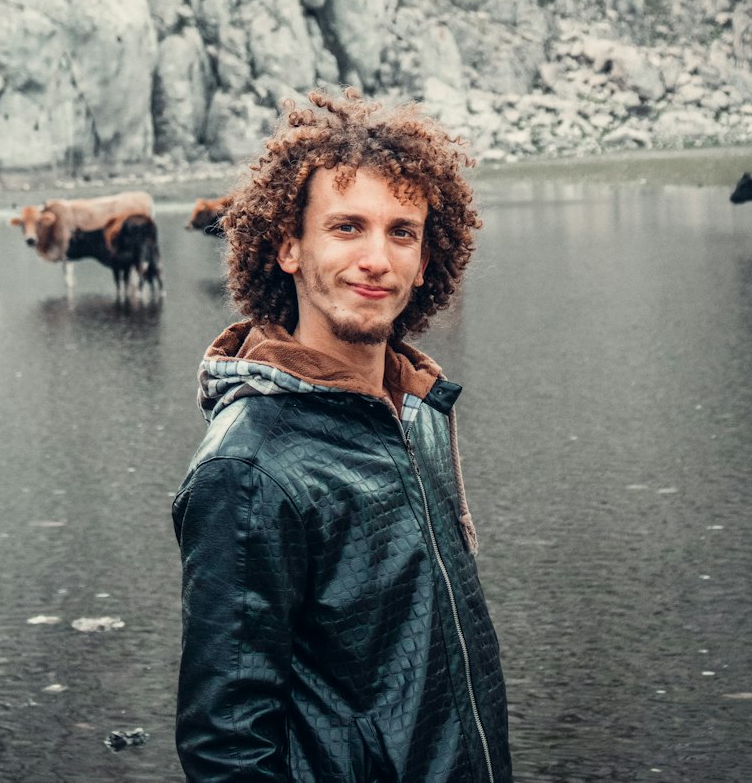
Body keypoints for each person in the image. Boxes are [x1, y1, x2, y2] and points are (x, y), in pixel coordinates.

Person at [172, 88, 513, 782]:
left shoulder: (412, 408)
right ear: (289, 247)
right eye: (347, 227)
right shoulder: (249, 469)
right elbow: (226, 749)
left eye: (401, 232)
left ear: (426, 261)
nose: (377, 260)